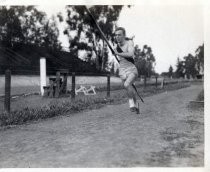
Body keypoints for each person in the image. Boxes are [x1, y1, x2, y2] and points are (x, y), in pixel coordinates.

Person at [114, 27, 139, 113]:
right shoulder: (116, 46)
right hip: (122, 70)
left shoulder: (129, 43)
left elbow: (130, 54)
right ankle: (136, 104)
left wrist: (118, 53)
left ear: (124, 36)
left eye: (119, 35)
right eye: (116, 35)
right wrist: (116, 52)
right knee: (129, 88)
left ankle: (131, 103)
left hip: (132, 69)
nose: (117, 37)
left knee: (127, 84)